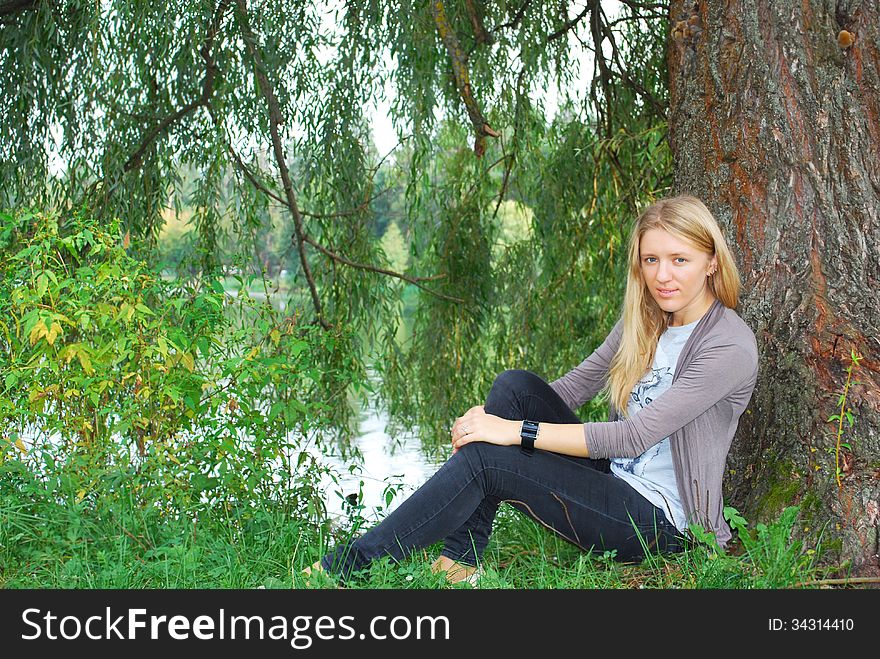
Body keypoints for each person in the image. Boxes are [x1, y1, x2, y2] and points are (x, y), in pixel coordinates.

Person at [305, 195, 759, 587]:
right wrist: (493, 417)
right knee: (513, 386)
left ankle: (348, 567)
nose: (663, 275)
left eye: (680, 259)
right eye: (651, 260)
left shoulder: (728, 345)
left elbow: (632, 437)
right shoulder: (648, 318)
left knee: (488, 457)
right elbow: (576, 385)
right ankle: (461, 563)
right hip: (615, 477)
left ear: (711, 261)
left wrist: (512, 431)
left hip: (660, 521)